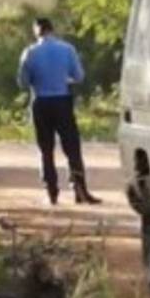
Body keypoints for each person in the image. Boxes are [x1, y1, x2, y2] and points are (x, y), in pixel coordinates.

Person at [17, 18, 102, 206]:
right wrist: (64, 79)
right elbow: (79, 76)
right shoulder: (67, 49)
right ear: (52, 29)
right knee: (72, 147)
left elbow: (23, 82)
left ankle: (51, 191)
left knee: (45, 149)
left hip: (41, 102)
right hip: (62, 101)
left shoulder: (29, 52)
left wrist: (37, 80)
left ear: (36, 31)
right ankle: (80, 189)